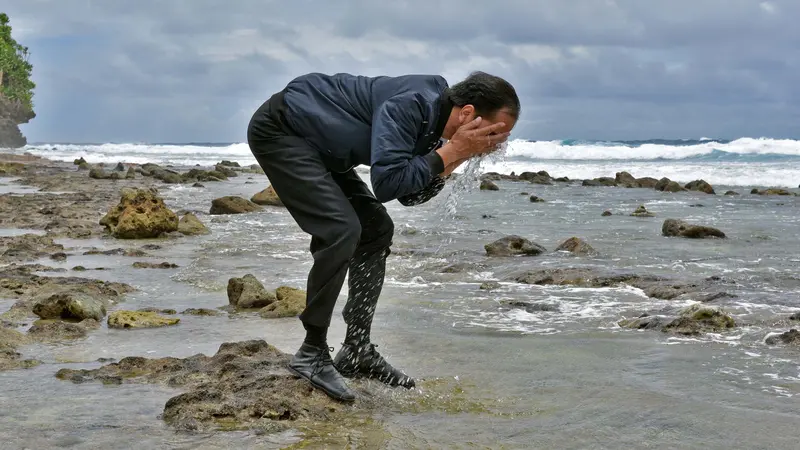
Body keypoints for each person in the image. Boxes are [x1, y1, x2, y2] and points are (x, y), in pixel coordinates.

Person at [246, 71, 519, 402]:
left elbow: (410, 195)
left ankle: (357, 349)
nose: (496, 145)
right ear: (467, 114)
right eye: (494, 133)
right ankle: (312, 352)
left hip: (324, 149)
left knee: (376, 229)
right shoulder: (412, 104)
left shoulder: (437, 125)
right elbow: (388, 183)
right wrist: (453, 151)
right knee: (341, 230)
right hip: (283, 131)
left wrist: (455, 154)